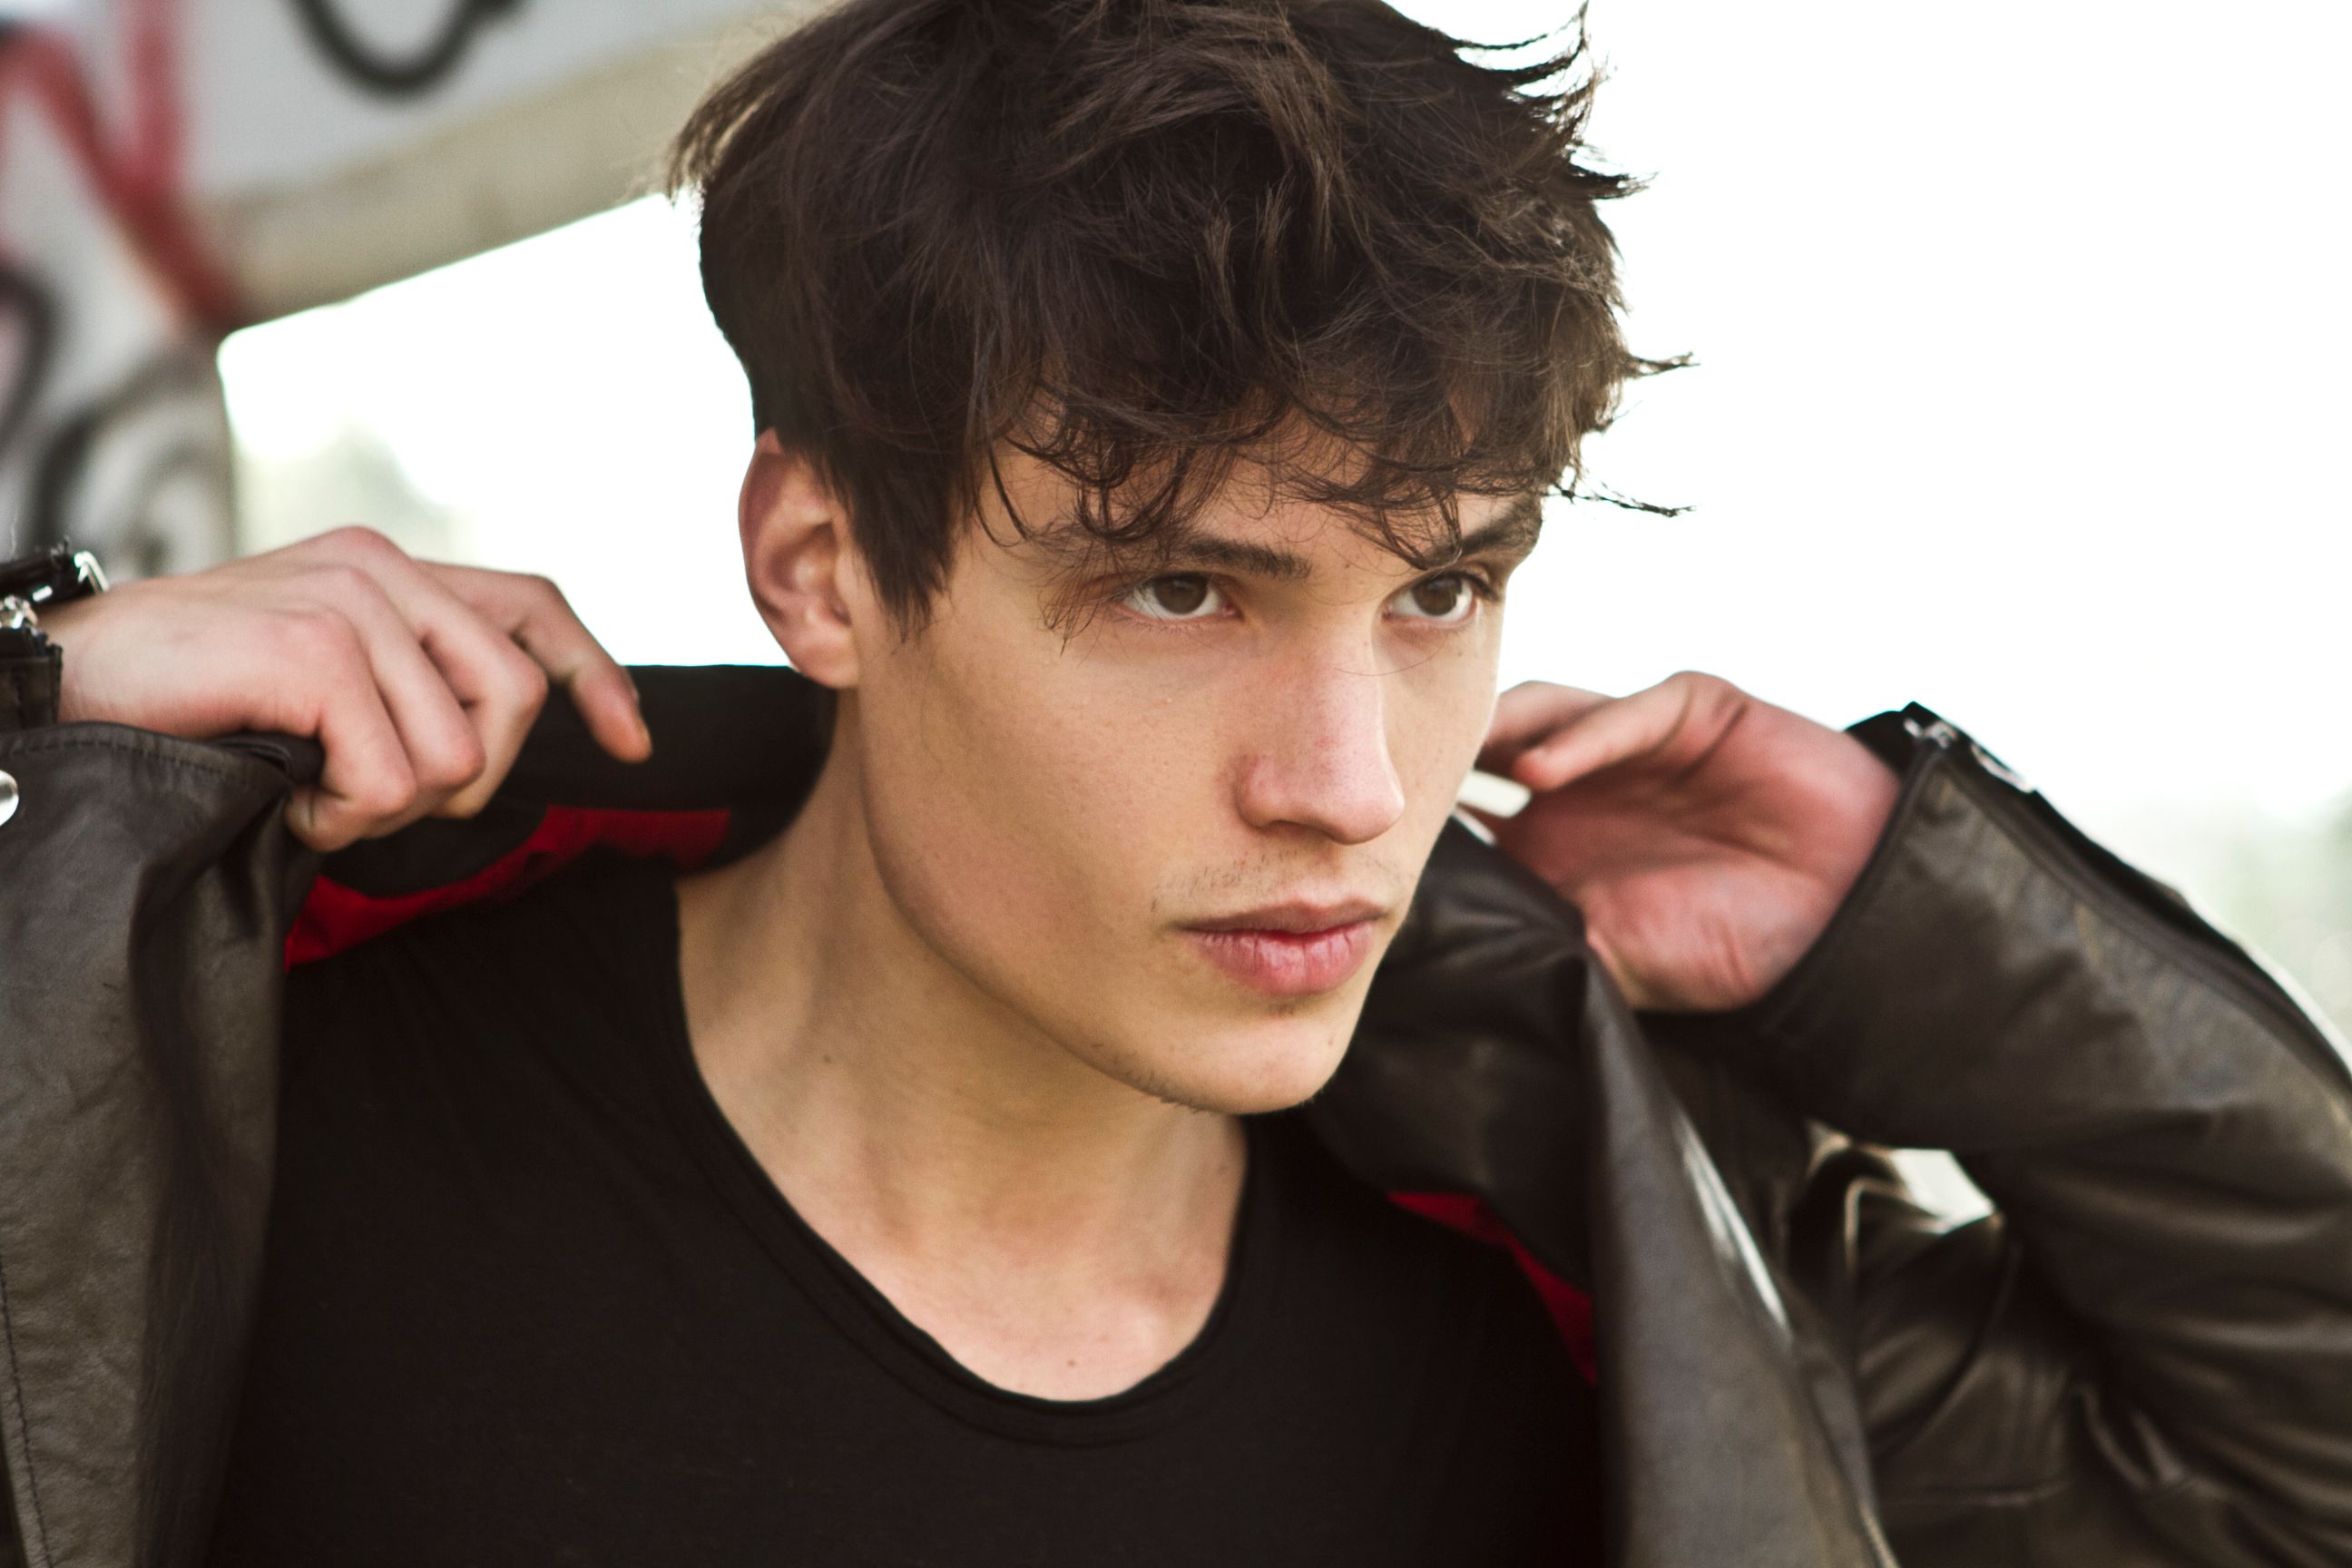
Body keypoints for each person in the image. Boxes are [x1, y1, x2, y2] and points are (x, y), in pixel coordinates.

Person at [3, 0, 2348, 1563]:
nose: (1352, 785)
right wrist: (24, 729)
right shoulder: (237, 1072)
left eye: (1440, 592)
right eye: (1179, 590)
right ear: (819, 565)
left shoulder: (1611, 1269)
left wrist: (1916, 921)